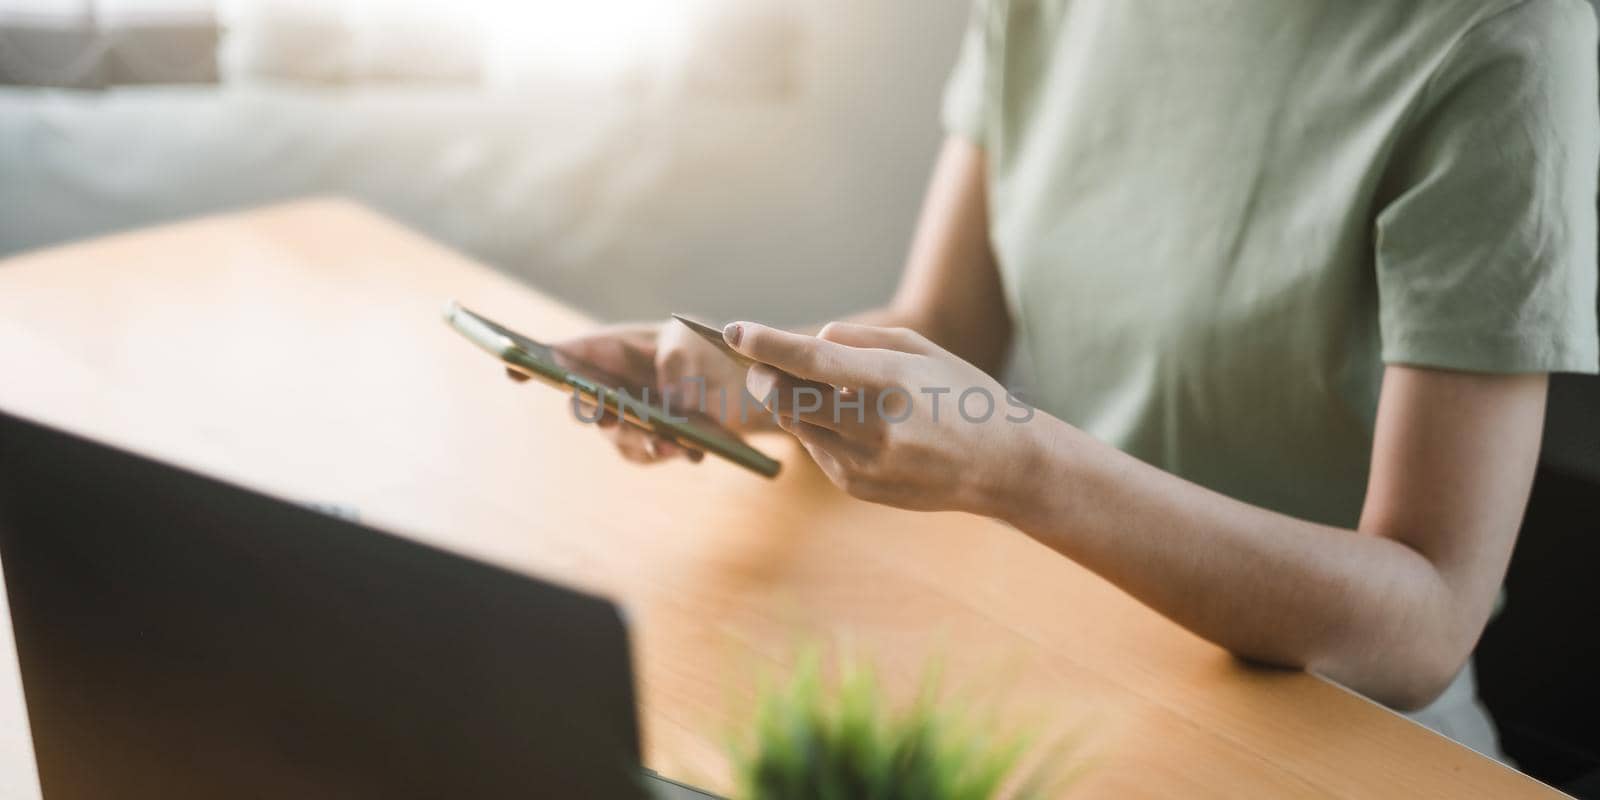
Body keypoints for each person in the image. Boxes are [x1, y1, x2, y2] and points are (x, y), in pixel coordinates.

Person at [520, 0, 1600, 757]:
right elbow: (947, 325)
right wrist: (745, 374)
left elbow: (1422, 622)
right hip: (1082, 680)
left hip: (1345, 746)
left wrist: (1023, 464)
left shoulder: (1503, 40)